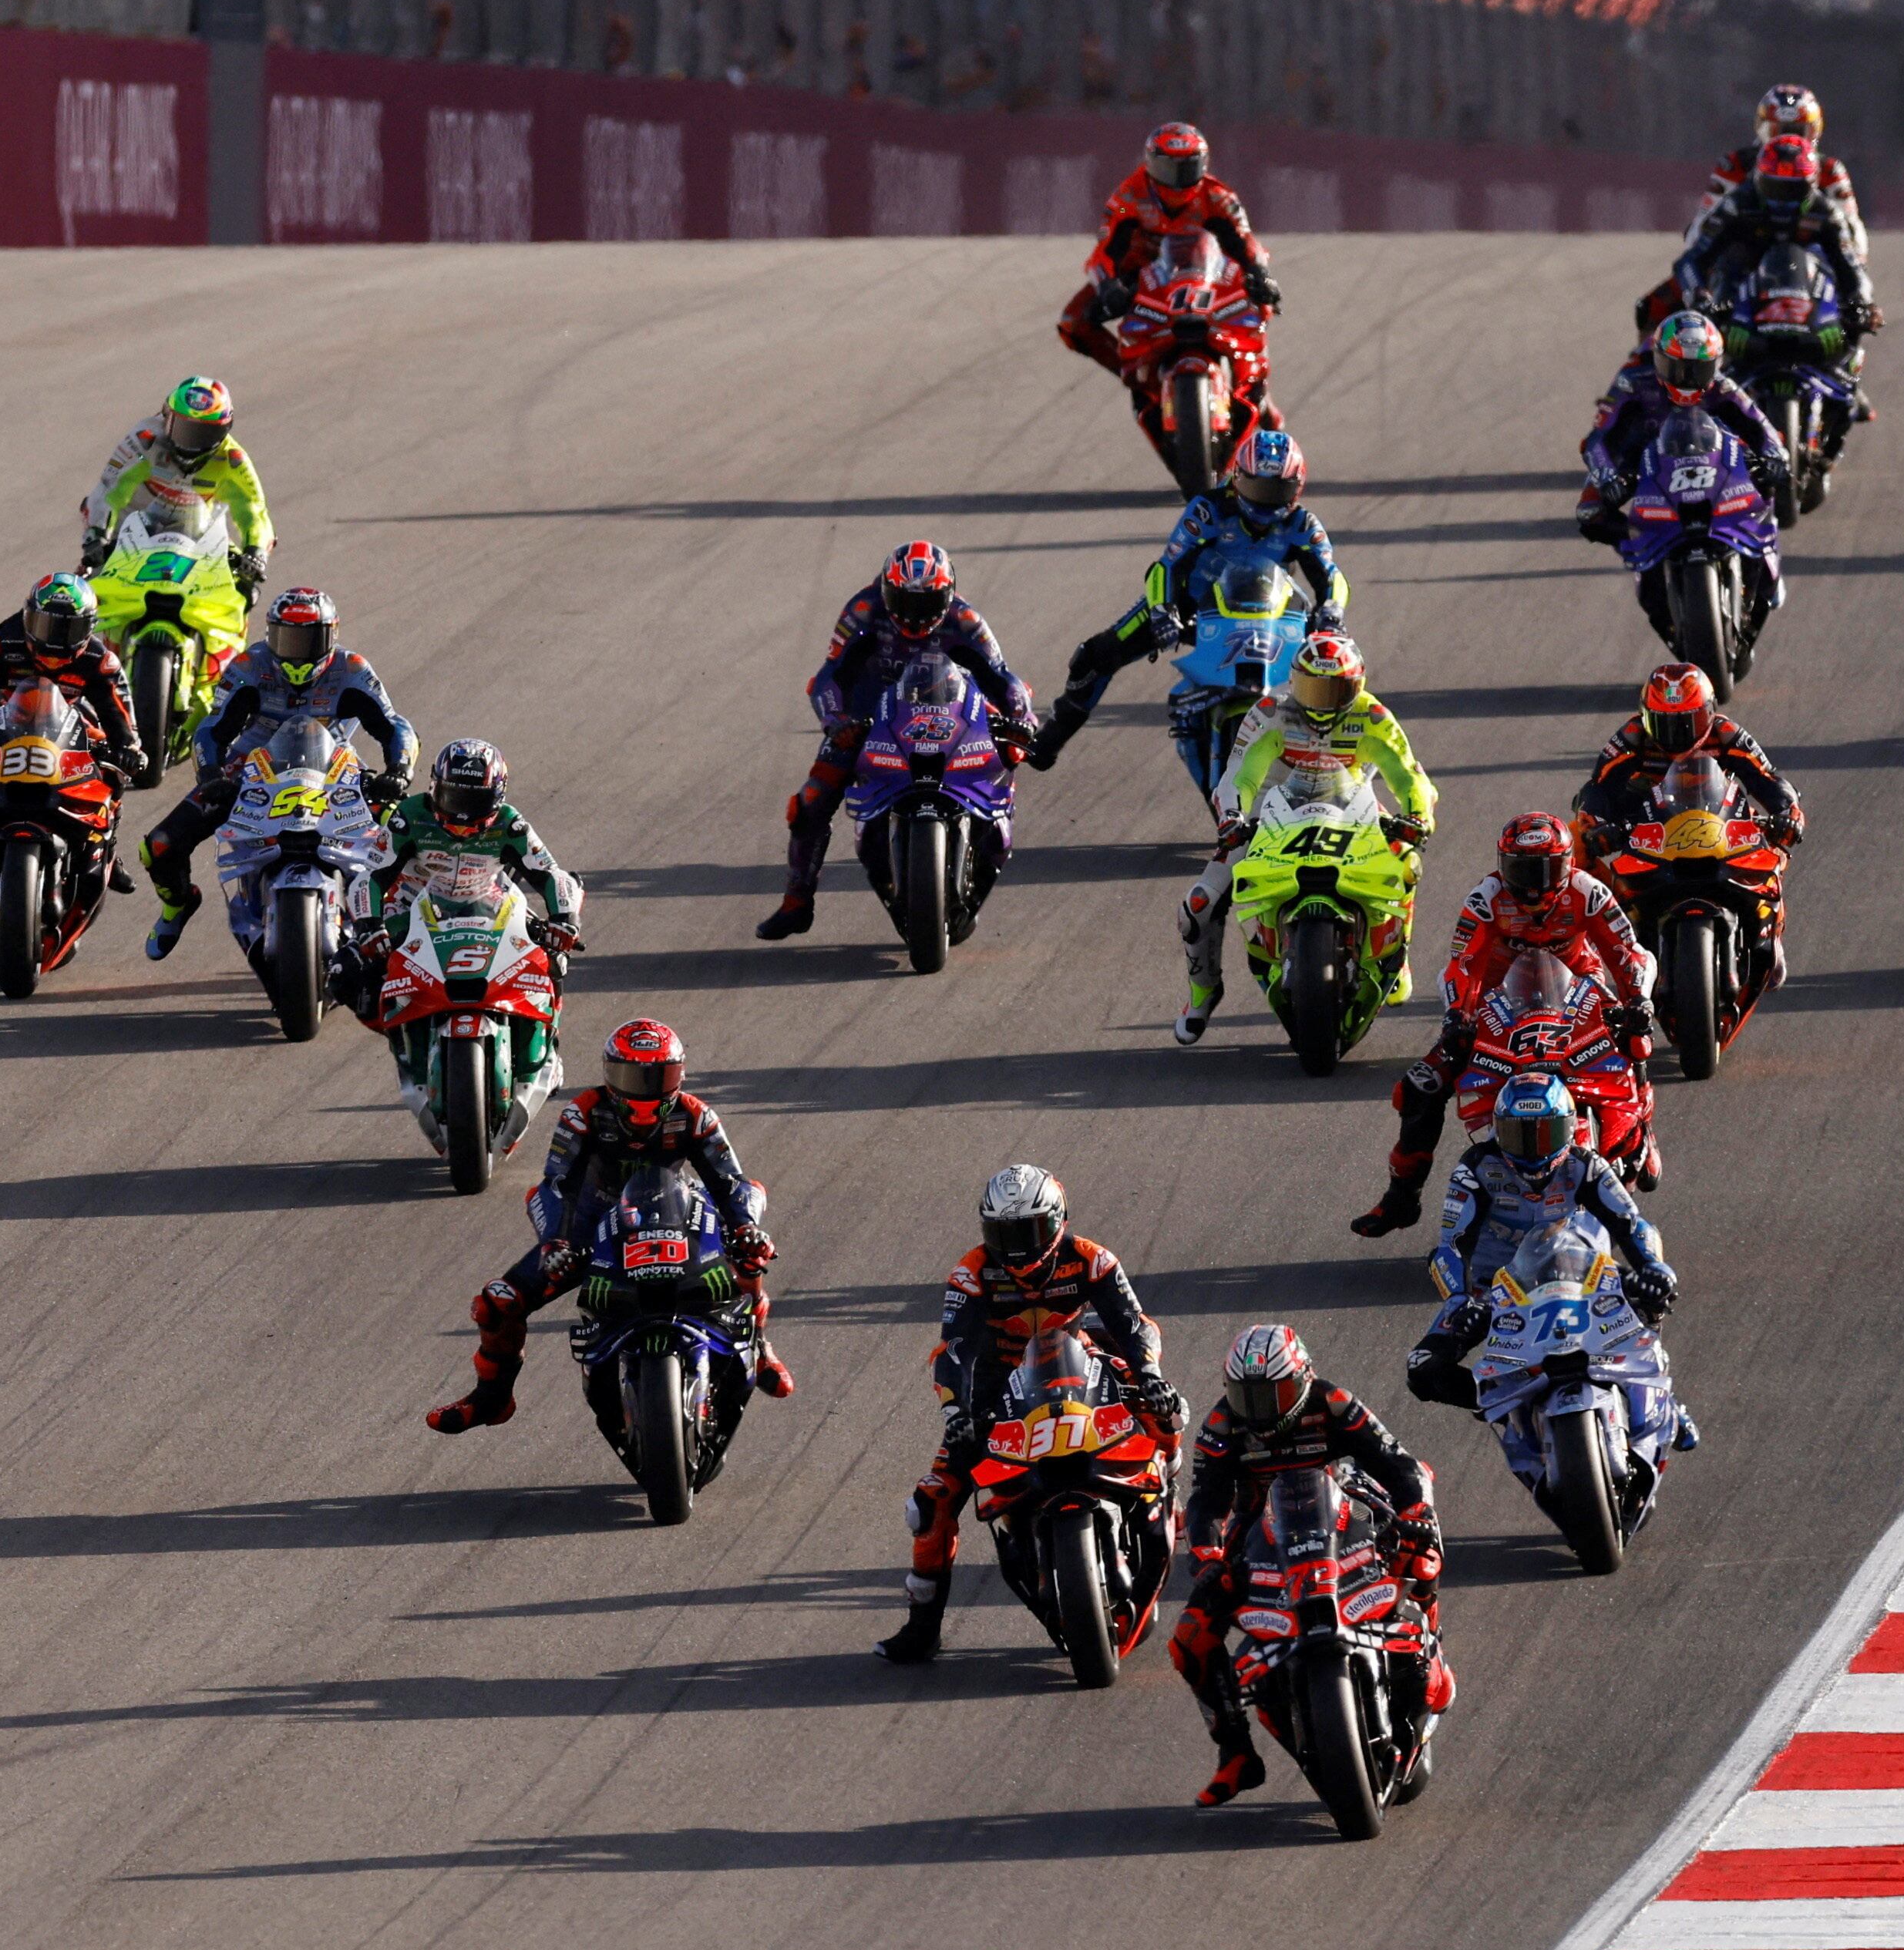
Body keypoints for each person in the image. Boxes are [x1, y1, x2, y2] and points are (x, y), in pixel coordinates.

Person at [876, 1166, 1185, 1665]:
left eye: (1030, 1231)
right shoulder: (971, 1273)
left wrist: (1149, 1371)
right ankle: (922, 1628)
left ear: (1058, 1221)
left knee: (1166, 1411)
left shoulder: (1092, 1259)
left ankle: (1171, 1496)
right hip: (998, 1389)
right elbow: (953, 1351)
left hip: (1080, 1364)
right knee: (930, 1503)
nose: (1017, 1246)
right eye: (1004, 1233)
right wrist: (955, 1409)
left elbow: (1132, 1323)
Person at [429, 1018, 790, 1434]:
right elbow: (557, 1184)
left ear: (680, 1075)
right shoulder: (583, 1113)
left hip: (675, 1213)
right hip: (594, 1226)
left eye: (658, 1075)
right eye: (631, 1075)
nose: (644, 1087)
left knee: (747, 1254)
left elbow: (730, 1182)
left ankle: (760, 1346)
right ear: (608, 1073)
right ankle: (492, 1398)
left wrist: (745, 1227)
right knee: (498, 1302)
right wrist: (555, 1243)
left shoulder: (695, 1114)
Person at [1169, 1324, 1447, 1807]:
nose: (1258, 1409)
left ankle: (1427, 1642)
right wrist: (1208, 1557)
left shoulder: (1334, 1401)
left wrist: (1414, 1515)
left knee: (1421, 1556)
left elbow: (1399, 1464)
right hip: (1261, 1531)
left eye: (1271, 1393)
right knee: (1189, 1639)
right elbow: (1204, 1504)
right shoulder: (1220, 1425)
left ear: (1300, 1380)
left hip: (1348, 1512)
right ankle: (1235, 1752)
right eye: (1244, 1395)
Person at [1352, 815, 1657, 1233]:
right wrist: (1457, 1016)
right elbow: (1462, 966)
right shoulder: (1486, 898)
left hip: (1579, 993)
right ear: (1502, 863)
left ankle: (1641, 1127)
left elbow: (1629, 952)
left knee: (1633, 1039)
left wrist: (1638, 1000)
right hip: (1499, 1001)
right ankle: (1401, 1198)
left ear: (1567, 864)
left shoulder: (1589, 892)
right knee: (1420, 1086)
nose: (1533, 884)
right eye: (1521, 869)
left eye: (1545, 870)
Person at [755, 543, 1038, 940]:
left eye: (928, 602)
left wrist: (1023, 719)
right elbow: (828, 676)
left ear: (948, 593)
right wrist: (836, 721)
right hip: (871, 722)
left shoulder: (966, 619)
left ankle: (983, 850)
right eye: (905, 600)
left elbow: (1004, 677)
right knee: (810, 803)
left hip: (953, 715)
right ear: (887, 590)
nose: (915, 614)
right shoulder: (863, 611)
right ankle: (796, 902)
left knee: (1011, 755)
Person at [1026, 426, 1347, 775]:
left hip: (1268, 614)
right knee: (1094, 657)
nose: (1264, 500)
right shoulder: (1209, 509)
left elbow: (1331, 576)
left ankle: (1337, 763)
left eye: (1276, 490)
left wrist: (1331, 610)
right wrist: (1165, 609)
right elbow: (1167, 566)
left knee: (1334, 666)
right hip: (1192, 607)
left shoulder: (1302, 523)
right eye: (1256, 487)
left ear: (1296, 489)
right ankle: (1050, 741)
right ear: (1237, 478)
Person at [1176, 630, 1436, 1044]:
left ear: (1360, 686)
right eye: (1314, 688)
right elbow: (1239, 776)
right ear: (1295, 681)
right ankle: (1203, 992)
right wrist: (1231, 817)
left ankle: (1395, 951)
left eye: (1338, 690)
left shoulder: (1373, 717)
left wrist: (1418, 816)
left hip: (1352, 808)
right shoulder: (1270, 711)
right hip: (1270, 810)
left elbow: (1409, 777)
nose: (1324, 700)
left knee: (1407, 859)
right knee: (1197, 907)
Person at [136, 587, 416, 958]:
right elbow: (211, 730)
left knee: (414, 837)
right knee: (158, 847)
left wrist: (398, 771)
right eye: (287, 637)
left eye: (309, 638)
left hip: (333, 768)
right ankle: (178, 905)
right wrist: (211, 775)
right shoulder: (249, 666)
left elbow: (394, 726)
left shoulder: (351, 669)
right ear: (270, 634)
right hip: (251, 768)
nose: (296, 649)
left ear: (332, 635)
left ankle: (403, 928)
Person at [1408, 1073, 1677, 1407]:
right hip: (1496, 1289)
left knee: (1651, 1295)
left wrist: (1654, 1268)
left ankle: (1660, 1404)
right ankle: (1504, 1403)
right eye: (1518, 1135)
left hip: (1580, 1276)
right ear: (1497, 1128)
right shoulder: (1475, 1168)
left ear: (1567, 1128)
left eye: (1545, 1134)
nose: (1533, 1149)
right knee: (1422, 1369)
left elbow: (1631, 1224)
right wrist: (1460, 1301)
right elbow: (1450, 1247)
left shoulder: (1585, 1164)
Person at [1577, 314, 1796, 653]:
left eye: (1699, 368)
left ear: (1716, 363)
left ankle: (1765, 557)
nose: (1688, 379)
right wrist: (1609, 478)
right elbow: (1596, 441)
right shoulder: (1632, 383)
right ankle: (1644, 550)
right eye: (1679, 368)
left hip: (1718, 462)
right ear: (1659, 358)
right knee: (1590, 513)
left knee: (1769, 481)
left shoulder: (1723, 386)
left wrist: (1775, 457)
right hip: (1643, 463)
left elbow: (1762, 427)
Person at [1058, 122, 1284, 384]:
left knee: (1263, 301)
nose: (1178, 180)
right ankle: (1140, 377)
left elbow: (1245, 241)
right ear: (1150, 164)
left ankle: (1253, 378)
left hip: (1210, 274)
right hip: (1144, 274)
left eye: (1188, 168)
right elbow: (1106, 246)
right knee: (1073, 323)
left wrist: (1261, 273)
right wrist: (1108, 285)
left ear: (1204, 165)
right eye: (1168, 168)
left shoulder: (1219, 197)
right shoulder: (1126, 200)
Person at [1635, 82, 1871, 333]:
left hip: (1808, 264)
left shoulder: (1831, 171)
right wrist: (1702, 284)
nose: (1788, 141)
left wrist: (1856, 293)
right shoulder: (1734, 165)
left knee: (1856, 310)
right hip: (1746, 258)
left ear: (1815, 131)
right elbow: (1701, 231)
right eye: (1778, 131)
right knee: (1653, 306)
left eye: (1799, 131)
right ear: (1762, 129)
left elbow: (1853, 235)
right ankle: (1658, 366)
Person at [0, 574, 151, 818]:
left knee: (115, 774)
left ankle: (102, 839)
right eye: (45, 626)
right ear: (28, 617)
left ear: (89, 629)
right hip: (4, 714)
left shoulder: (100, 661)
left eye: (70, 630)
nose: (56, 639)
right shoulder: (2, 642)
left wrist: (127, 747)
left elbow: (116, 711)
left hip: (66, 718)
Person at [1572, 664, 1807, 859]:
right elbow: (1598, 786)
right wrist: (1596, 825)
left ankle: (1771, 911)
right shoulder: (1633, 735)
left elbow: (1765, 777)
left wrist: (1788, 812)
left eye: (1688, 722)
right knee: (1575, 840)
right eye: (1662, 724)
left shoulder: (1725, 733)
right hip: (1645, 822)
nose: (1675, 736)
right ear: (1645, 717)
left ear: (1710, 712)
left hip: (1718, 818)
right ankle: (1600, 909)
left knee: (1776, 849)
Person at [79, 377, 277, 602]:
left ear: (224, 431)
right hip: (128, 534)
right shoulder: (145, 443)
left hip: (194, 537)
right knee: (91, 594)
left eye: (203, 434)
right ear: (166, 417)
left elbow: (254, 511)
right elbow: (109, 490)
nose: (190, 443)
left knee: (243, 593)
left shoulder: (232, 460)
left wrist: (255, 553)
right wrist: (97, 537)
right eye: (183, 429)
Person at [377, 738, 584, 948]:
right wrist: (370, 927)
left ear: (498, 796)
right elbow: (371, 875)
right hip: (409, 910)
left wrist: (565, 917)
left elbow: (551, 872)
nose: (462, 815)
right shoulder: (410, 814)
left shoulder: (509, 822)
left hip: (486, 909)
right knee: (363, 964)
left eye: (476, 802)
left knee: (551, 956)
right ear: (434, 786)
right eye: (452, 798)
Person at [1674, 136, 1882, 344]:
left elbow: (1851, 266)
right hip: (1738, 302)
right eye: (1775, 188)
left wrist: (1863, 303)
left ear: (1812, 185)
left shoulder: (1827, 213)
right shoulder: (1737, 206)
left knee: (1853, 320)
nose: (1783, 199)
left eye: (1794, 189)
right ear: (1758, 179)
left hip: (1809, 300)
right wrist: (1699, 296)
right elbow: (1691, 261)